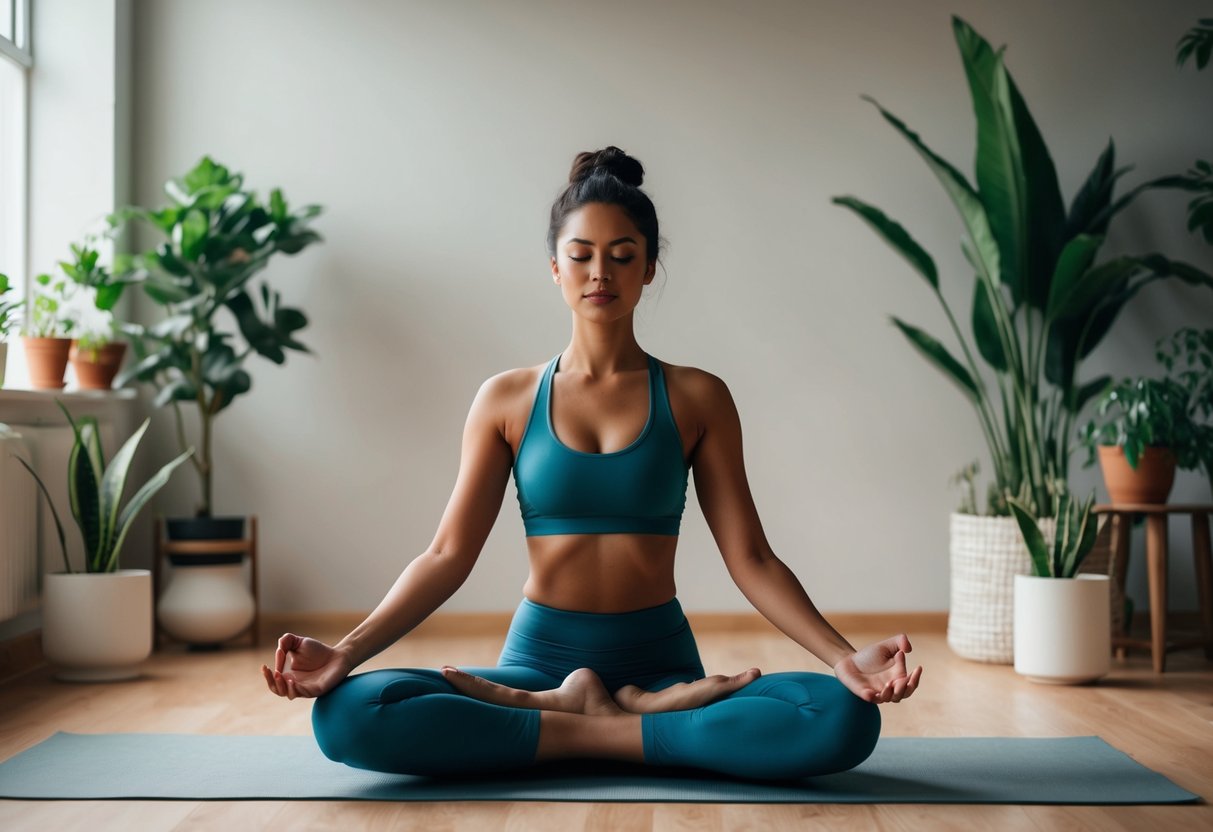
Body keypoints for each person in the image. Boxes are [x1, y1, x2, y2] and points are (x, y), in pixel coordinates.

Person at [261, 146, 923, 780]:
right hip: (536, 666)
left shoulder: (697, 397)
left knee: (841, 718)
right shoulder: (507, 400)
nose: (599, 273)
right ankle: (623, 725)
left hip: (660, 665)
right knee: (347, 714)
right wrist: (345, 654)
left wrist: (843, 660)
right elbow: (444, 556)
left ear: (648, 268)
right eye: (580, 256)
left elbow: (750, 559)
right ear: (555, 267)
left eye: (621, 255)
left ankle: (570, 725)